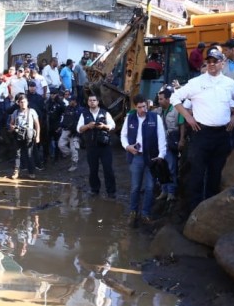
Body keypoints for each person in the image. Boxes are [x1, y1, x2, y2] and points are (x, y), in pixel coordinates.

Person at [171, 49, 234, 211]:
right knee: (196, 173)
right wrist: (188, 118)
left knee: (216, 172)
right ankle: (193, 210)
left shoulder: (229, 83)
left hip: (222, 134)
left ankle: (211, 210)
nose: (212, 64)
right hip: (201, 133)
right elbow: (174, 98)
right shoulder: (196, 82)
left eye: (215, 61)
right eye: (209, 61)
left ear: (222, 63)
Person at [121, 94, 166, 227]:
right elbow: (123, 136)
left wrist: (161, 156)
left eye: (144, 106)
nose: (143, 109)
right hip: (136, 157)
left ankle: (145, 213)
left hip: (152, 157)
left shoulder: (155, 118)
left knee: (150, 187)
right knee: (135, 187)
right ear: (135, 107)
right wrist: (127, 147)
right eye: (140, 107)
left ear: (147, 105)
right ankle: (133, 212)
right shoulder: (130, 118)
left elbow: (161, 138)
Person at [76, 93, 116, 198]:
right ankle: (95, 189)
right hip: (91, 146)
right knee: (93, 169)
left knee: (108, 169)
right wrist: (88, 126)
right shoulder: (84, 114)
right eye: (90, 100)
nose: (92, 102)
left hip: (104, 146)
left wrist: (104, 126)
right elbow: (79, 129)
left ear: (98, 102)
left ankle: (111, 191)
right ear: (88, 102)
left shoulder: (105, 113)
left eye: (94, 100)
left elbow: (113, 126)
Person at [155, 87, 184, 202]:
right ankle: (164, 190)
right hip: (161, 144)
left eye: (161, 99)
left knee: (172, 167)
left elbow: (182, 125)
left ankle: (172, 192)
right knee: (161, 168)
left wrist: (182, 140)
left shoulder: (177, 110)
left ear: (168, 99)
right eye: (159, 99)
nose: (159, 101)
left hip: (171, 143)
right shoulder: (158, 111)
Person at [9, 93, 40, 180]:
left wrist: (38, 136)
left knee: (29, 154)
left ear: (27, 102)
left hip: (29, 135)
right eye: (21, 102)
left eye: (25, 102)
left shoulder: (32, 111)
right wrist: (12, 128)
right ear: (18, 103)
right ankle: (16, 171)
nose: (23, 104)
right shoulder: (15, 112)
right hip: (18, 135)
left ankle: (31, 172)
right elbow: (11, 124)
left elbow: (37, 124)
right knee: (17, 154)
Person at [57, 94, 81, 171]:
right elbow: (64, 118)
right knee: (60, 145)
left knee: (74, 148)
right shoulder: (67, 108)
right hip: (66, 130)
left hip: (75, 132)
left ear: (75, 101)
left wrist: (75, 131)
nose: (70, 102)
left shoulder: (80, 110)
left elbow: (79, 122)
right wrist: (60, 126)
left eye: (71, 100)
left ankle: (74, 163)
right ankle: (71, 156)